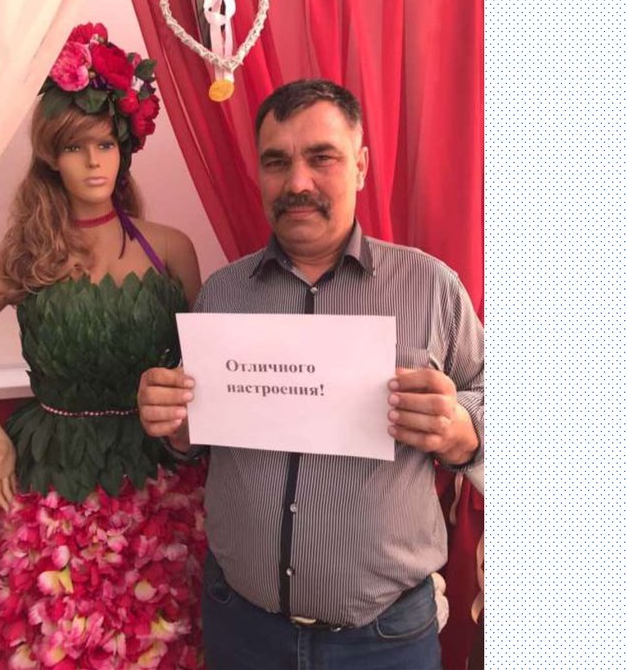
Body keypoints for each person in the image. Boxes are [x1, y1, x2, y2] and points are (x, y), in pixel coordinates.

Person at [137, 79, 484, 670]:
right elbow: (195, 441)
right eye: (277, 162)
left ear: (361, 166)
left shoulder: (432, 287)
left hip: (384, 638)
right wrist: (176, 426)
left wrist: (461, 431)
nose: (297, 182)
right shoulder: (221, 294)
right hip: (242, 624)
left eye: (322, 157)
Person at [0, 23, 207, 670]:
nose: (93, 161)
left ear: (123, 149)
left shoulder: (170, 249)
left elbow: (209, 370)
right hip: (50, 482)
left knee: (160, 646)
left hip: (158, 482)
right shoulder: (26, 256)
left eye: (104, 144)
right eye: (74, 147)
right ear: (51, 159)